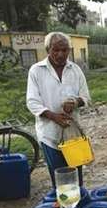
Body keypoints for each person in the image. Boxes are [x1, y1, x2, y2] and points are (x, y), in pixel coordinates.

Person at [26, 32, 91, 189]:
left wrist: (76, 102)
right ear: (48, 49)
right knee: (61, 179)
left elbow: (86, 98)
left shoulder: (75, 70)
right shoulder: (36, 71)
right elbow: (32, 102)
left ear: (69, 50)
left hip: (72, 135)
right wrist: (53, 116)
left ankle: (77, 207)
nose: (60, 54)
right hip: (50, 134)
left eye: (64, 50)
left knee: (76, 177)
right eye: (56, 50)